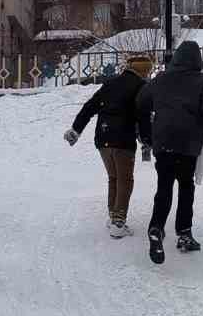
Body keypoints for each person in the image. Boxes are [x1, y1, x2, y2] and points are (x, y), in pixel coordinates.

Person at [137, 40, 203, 264]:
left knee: (164, 187)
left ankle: (156, 228)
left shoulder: (161, 79)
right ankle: (184, 234)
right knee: (185, 186)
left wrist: (148, 132)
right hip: (188, 143)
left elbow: (142, 102)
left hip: (163, 141)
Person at [64, 55, 153, 238]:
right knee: (125, 180)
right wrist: (146, 140)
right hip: (123, 140)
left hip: (103, 137)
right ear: (144, 71)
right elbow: (143, 116)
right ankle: (118, 221)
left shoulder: (111, 83)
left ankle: (113, 215)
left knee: (114, 177)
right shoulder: (141, 87)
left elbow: (89, 107)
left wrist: (76, 129)